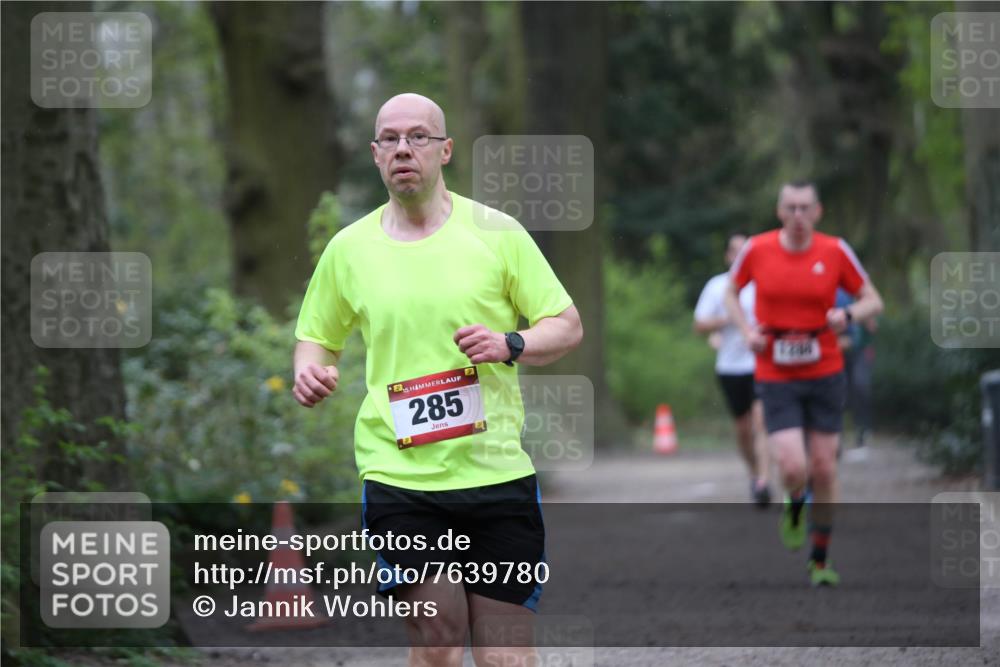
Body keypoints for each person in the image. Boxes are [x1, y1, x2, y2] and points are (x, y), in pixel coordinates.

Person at [293, 93, 582, 667]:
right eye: (391, 138)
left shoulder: (497, 234)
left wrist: (510, 344)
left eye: (419, 136)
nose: (404, 148)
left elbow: (566, 325)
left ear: (445, 150)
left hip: (495, 470)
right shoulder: (348, 250)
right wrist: (308, 371)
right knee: (440, 642)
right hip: (399, 475)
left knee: (505, 658)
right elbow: (317, 336)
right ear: (376, 155)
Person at [724, 181, 883, 587]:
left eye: (805, 208)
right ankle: (795, 502)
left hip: (825, 369)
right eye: (790, 208)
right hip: (776, 371)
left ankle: (820, 558)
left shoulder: (834, 250)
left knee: (824, 467)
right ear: (779, 211)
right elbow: (730, 292)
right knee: (794, 466)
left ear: (818, 212)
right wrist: (747, 332)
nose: (797, 216)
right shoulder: (757, 250)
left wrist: (847, 317)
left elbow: (873, 300)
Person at [694, 233, 771, 507]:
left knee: (761, 422)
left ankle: (763, 480)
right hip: (729, 367)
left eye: (745, 251)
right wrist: (728, 319)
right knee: (743, 429)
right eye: (735, 251)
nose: (740, 256)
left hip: (761, 364)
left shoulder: (764, 282)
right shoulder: (717, 286)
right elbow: (699, 325)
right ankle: (753, 473)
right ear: (728, 256)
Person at [835, 288, 877, 449]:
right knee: (839, 392)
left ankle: (863, 430)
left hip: (860, 350)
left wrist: (866, 318)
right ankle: (836, 435)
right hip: (838, 352)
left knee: (860, 386)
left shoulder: (858, 288)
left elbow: (873, 325)